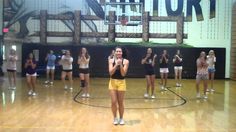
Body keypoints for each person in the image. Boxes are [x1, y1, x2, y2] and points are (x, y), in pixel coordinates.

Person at [108, 46, 129, 125]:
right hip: (112, 82)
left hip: (121, 83)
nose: (118, 53)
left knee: (120, 102)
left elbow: (123, 74)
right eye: (117, 51)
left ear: (122, 53)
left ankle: (121, 118)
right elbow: (110, 72)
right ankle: (115, 118)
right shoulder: (111, 60)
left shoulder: (126, 61)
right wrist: (116, 64)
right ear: (115, 52)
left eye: (120, 51)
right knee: (113, 102)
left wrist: (120, 65)